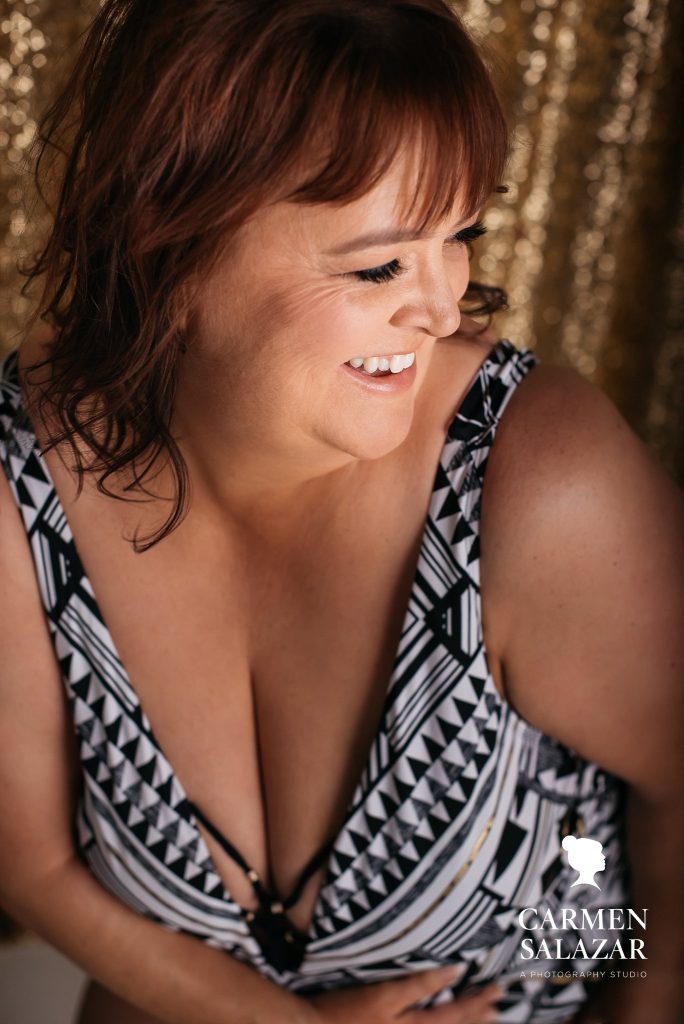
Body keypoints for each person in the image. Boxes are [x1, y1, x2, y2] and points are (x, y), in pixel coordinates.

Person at [0, 1, 681, 1022]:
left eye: (460, 237)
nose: (445, 306)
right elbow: (35, 867)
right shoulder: (19, 478)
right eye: (378, 264)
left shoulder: (541, 484)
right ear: (167, 249)